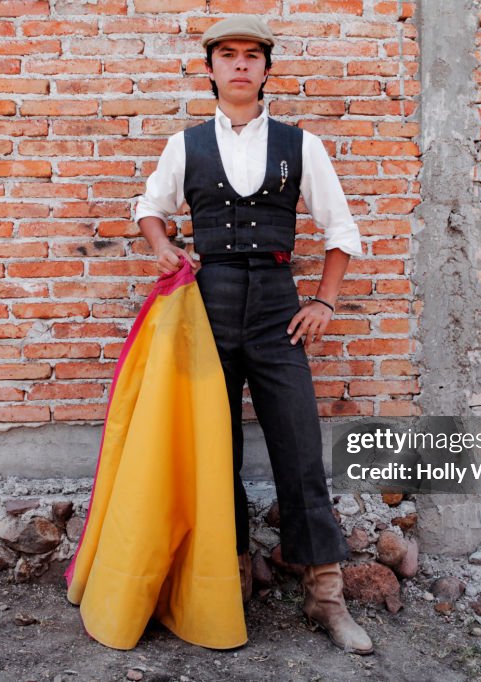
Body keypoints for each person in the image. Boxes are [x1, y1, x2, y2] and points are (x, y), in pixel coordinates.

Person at [133, 15, 371, 655]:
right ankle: (226, 581)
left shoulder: (301, 144)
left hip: (275, 306)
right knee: (216, 452)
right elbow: (150, 209)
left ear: (266, 69)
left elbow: (341, 230)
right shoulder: (186, 145)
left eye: (252, 56)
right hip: (205, 309)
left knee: (299, 447)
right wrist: (164, 247)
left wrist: (323, 300)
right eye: (228, 55)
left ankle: (326, 596)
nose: (240, 65)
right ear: (210, 68)